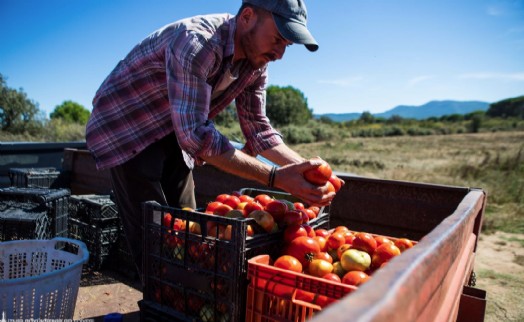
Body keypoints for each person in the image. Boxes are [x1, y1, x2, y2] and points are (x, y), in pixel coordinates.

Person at [86, 0, 336, 281]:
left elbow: (257, 129)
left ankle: (188, 293)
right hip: (126, 127)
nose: (279, 54)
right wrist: (276, 177)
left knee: (191, 228)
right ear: (247, 17)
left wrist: (305, 169)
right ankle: (163, 297)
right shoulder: (198, 42)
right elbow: (195, 134)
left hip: (173, 129)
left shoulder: (256, 63)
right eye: (277, 39)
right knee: (154, 233)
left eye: (286, 45)